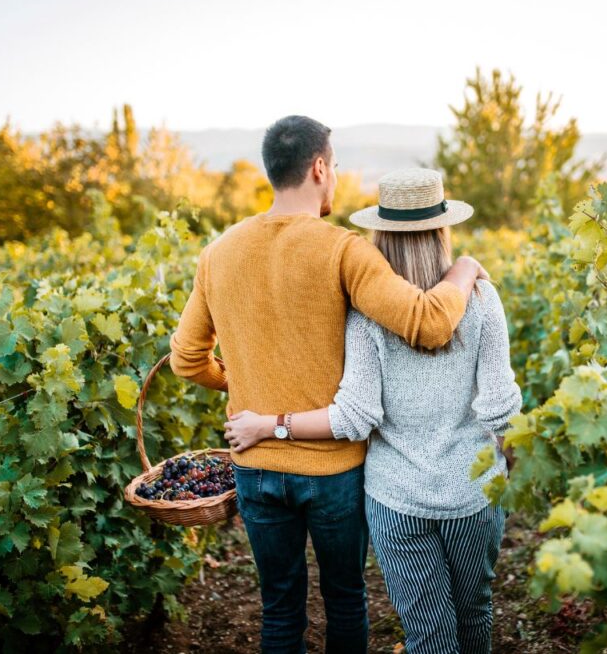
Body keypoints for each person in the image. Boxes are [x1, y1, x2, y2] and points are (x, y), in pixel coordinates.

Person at [167, 118, 488, 654]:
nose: (335, 178)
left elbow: (185, 359)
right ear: (319, 168)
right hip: (334, 468)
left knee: (279, 608)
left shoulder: (218, 253)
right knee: (344, 599)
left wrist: (241, 382)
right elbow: (430, 323)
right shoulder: (343, 250)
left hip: (255, 463)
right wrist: (463, 272)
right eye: (334, 167)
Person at [224, 167, 522, 654]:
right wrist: (518, 466)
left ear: (380, 235)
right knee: (476, 614)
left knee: (429, 636)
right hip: (473, 494)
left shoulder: (365, 314)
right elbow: (499, 408)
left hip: (396, 501)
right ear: (442, 229)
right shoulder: (483, 300)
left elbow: (353, 416)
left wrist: (270, 426)